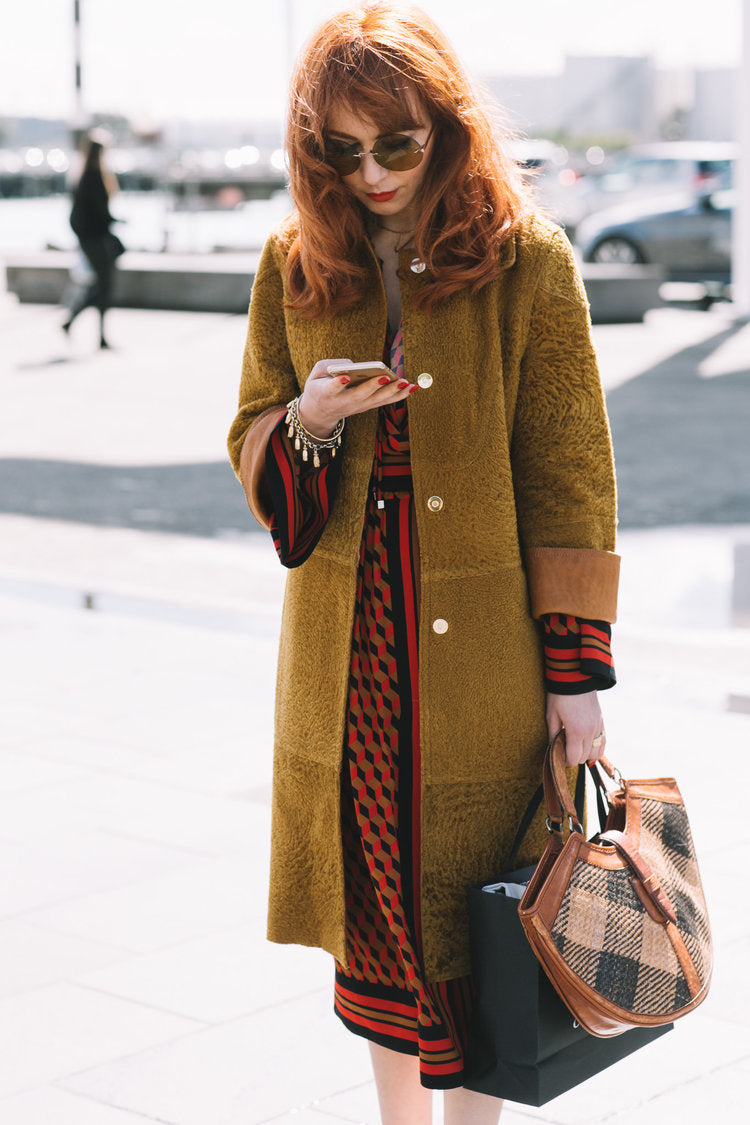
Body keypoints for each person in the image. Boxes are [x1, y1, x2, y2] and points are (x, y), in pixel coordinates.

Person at [228, 6, 619, 1123]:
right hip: (349, 652)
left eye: (394, 144)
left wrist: (576, 674)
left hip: (484, 656)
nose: (372, 172)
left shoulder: (526, 262)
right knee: (379, 928)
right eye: (341, 150)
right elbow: (253, 432)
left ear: (445, 130)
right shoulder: (294, 262)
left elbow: (570, 475)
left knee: (476, 913)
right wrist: (307, 418)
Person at [62, 132, 122, 349]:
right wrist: (114, 221)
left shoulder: (82, 176)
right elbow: (98, 212)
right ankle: (90, 331)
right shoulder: (93, 177)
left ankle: (75, 323)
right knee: (104, 286)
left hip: (91, 238)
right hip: (96, 239)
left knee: (101, 285)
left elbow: (79, 215)